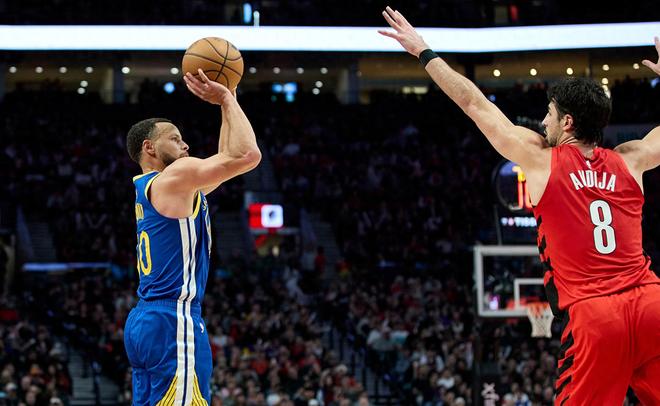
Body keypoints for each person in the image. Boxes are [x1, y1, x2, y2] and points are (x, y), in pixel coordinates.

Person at [380, 8, 660, 404]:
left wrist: (424, 52)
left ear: (567, 123)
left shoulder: (541, 160)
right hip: (652, 305)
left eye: (549, 115)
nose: (543, 122)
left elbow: (474, 103)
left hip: (597, 317)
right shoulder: (633, 159)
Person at [123, 69, 261, 405]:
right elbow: (247, 156)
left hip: (146, 319)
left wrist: (229, 102)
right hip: (173, 319)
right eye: (174, 138)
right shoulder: (176, 176)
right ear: (149, 147)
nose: (185, 144)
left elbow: (227, 158)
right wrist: (225, 97)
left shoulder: (164, 187)